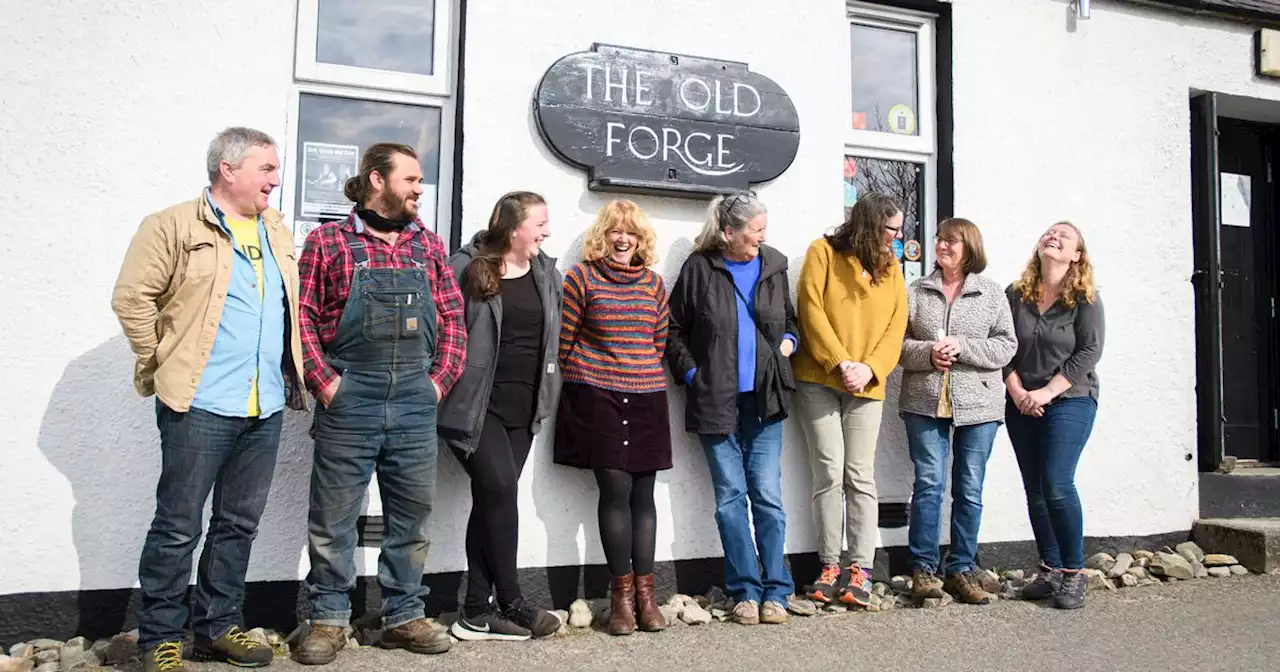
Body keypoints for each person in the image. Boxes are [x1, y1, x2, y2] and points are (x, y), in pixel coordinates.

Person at [111, 127, 304, 672]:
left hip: (262, 404)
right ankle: (159, 639)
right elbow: (132, 298)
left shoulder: (276, 231)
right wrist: (161, 361)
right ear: (229, 169)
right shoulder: (172, 225)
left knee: (237, 526)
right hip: (197, 403)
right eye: (266, 168)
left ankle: (218, 628)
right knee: (177, 526)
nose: (275, 179)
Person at [293, 143, 466, 664]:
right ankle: (327, 619)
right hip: (350, 397)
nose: (419, 189)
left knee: (411, 516)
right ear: (377, 180)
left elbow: (454, 321)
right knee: (334, 519)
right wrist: (326, 385)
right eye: (410, 179)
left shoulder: (429, 247)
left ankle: (404, 615)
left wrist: (437, 383)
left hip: (415, 398)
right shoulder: (327, 242)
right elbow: (301, 320)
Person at [666, 191, 798, 626]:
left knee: (768, 497)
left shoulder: (774, 266)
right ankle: (745, 590)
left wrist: (788, 344)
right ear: (729, 232)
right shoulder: (700, 269)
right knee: (729, 498)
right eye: (755, 231)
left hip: (765, 398)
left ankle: (777, 590)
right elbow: (674, 331)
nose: (762, 237)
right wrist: (691, 376)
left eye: (764, 229)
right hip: (715, 399)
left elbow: (792, 322)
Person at [439, 191, 563, 641]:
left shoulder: (547, 273)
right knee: (500, 491)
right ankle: (511, 599)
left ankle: (474, 611)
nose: (547, 232)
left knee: (492, 501)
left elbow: (553, 338)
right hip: (475, 405)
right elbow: (441, 327)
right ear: (514, 229)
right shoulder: (467, 267)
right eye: (540, 223)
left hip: (523, 408)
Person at [555, 199, 672, 636]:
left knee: (644, 495)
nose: (623, 239)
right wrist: (591, 374)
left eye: (632, 233)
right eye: (614, 231)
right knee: (614, 489)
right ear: (601, 237)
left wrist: (635, 370)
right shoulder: (581, 277)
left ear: (642, 240)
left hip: (645, 397)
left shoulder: (654, 285)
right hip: (597, 395)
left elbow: (657, 341)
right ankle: (621, 598)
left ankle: (647, 596)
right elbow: (566, 338)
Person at [792, 191, 907, 608]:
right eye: (892, 228)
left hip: (867, 385)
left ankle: (860, 569)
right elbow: (810, 310)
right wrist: (840, 362)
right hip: (820, 378)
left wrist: (870, 368)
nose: (897, 237)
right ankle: (828, 565)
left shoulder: (891, 267)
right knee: (828, 472)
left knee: (859, 476)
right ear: (872, 224)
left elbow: (897, 325)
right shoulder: (822, 252)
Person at [897, 218, 1016, 605]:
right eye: (940, 239)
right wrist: (928, 353)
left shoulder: (992, 294)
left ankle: (962, 568)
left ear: (970, 248)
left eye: (951, 241)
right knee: (929, 485)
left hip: (979, 406)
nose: (942, 246)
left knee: (969, 489)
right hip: (923, 401)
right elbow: (896, 345)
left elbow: (1005, 347)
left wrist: (962, 346)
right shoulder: (916, 290)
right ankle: (924, 570)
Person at [1004, 221, 1105, 610]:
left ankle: (1073, 574)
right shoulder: (1017, 294)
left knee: (1057, 482)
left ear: (1077, 255)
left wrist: (1045, 391)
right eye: (1049, 232)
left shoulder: (1086, 298)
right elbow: (1004, 344)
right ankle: (1048, 570)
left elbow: (1088, 353)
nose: (1054, 236)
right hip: (1021, 400)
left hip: (1071, 399)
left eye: (1065, 236)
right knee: (1035, 489)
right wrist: (1017, 391)